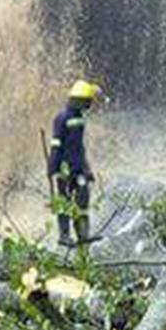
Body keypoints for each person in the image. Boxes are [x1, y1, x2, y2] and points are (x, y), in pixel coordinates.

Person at [47, 79, 100, 246]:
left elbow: (79, 147)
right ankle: (64, 236)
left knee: (83, 199)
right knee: (64, 202)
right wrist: (53, 166)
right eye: (88, 101)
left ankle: (82, 235)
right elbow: (56, 144)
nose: (90, 105)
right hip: (64, 169)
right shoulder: (62, 118)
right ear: (81, 101)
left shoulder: (79, 118)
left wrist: (86, 168)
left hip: (78, 168)